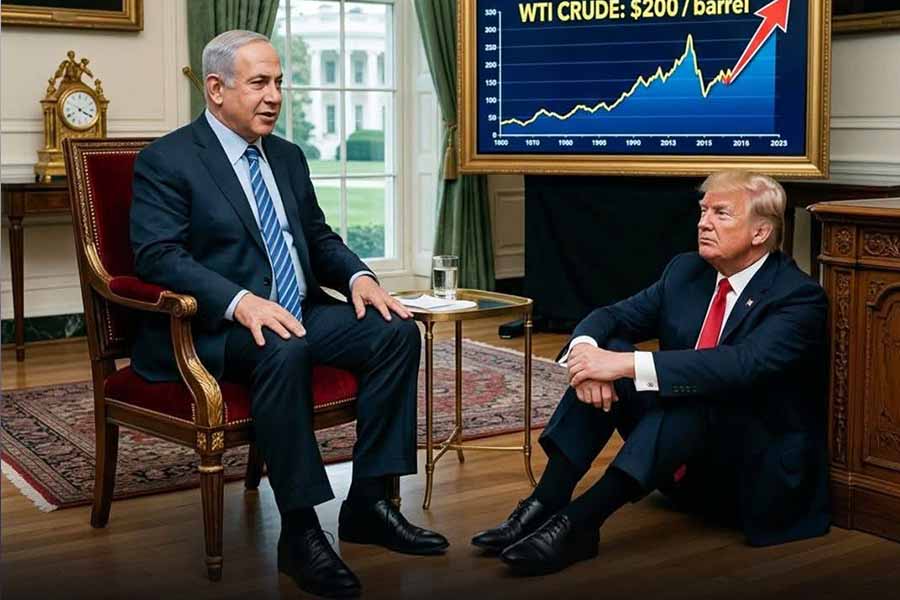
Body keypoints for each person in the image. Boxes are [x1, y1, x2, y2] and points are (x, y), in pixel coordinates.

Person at [130, 30, 447, 598]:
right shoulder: (168, 159)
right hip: (218, 326)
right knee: (282, 347)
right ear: (216, 89)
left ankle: (369, 503)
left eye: (279, 82)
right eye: (259, 83)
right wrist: (240, 301)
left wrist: (360, 277)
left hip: (300, 308)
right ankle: (300, 533)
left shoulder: (287, 156)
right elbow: (158, 255)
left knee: (396, 332)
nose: (274, 96)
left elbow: (317, 238)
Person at [472, 170, 830, 575]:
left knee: (690, 386)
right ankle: (546, 501)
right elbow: (611, 316)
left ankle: (580, 522)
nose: (703, 223)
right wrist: (588, 355)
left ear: (760, 232)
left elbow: (740, 364)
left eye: (721, 213)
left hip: (751, 478)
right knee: (611, 351)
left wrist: (622, 364)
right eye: (703, 211)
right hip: (681, 463)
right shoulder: (687, 272)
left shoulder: (798, 296)